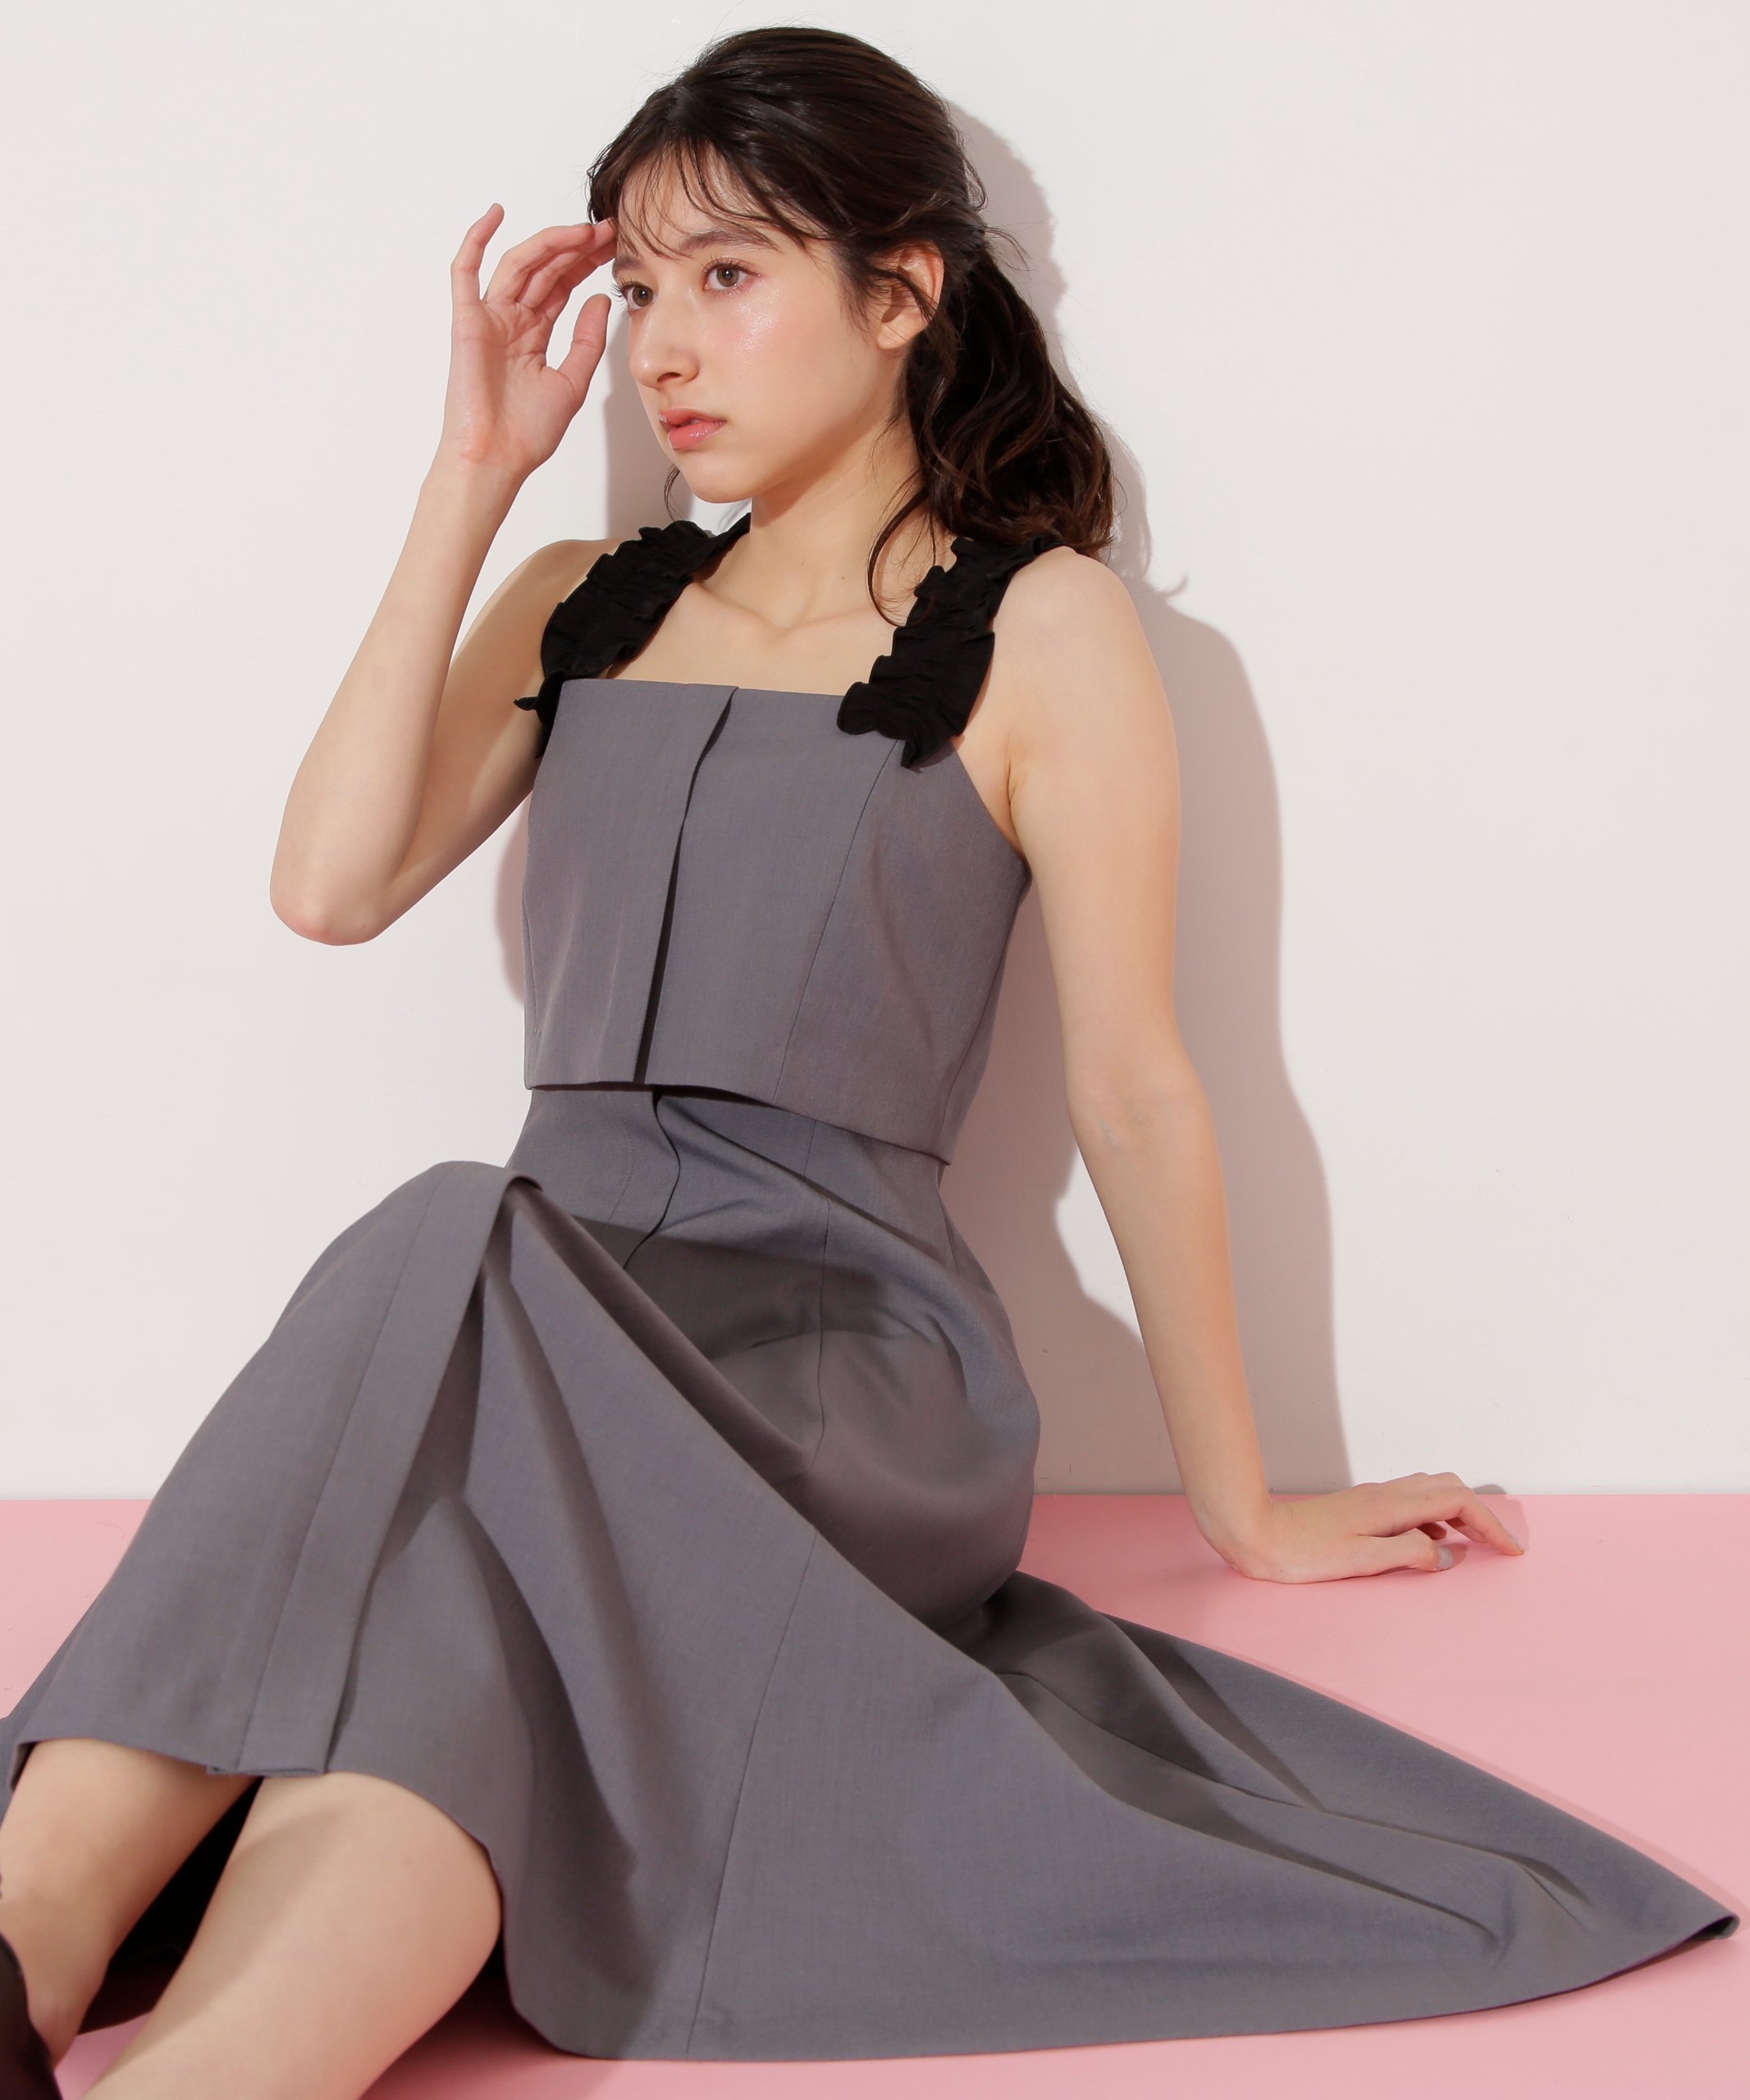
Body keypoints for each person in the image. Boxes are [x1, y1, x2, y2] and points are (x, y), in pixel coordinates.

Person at [0, 23, 1734, 2099]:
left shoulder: (1043, 630)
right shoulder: (580, 601)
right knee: (445, 1615)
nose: (663, 345)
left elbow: (1134, 1084)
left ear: (899, 291)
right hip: (546, 1324)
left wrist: (1242, 1497)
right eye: (639, 285)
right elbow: (326, 883)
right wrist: (471, 477)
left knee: (434, 1235)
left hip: (831, 1361)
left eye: (727, 274)